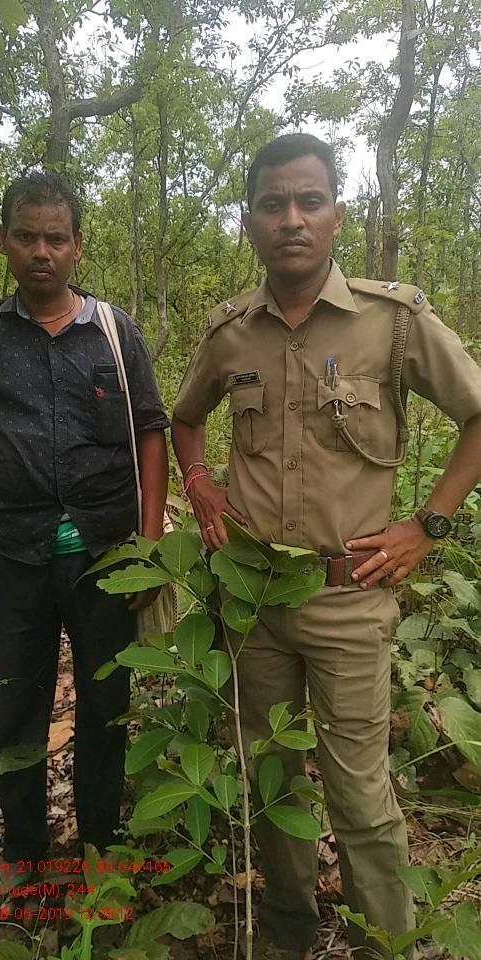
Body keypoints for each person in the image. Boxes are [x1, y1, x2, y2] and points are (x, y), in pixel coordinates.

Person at [171, 133, 481, 960]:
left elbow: (478, 414)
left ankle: (387, 942)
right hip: (253, 601)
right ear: (251, 220)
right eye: (273, 204)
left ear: (338, 215)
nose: (292, 219)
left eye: (309, 201)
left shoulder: (394, 322)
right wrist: (199, 481)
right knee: (269, 775)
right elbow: (185, 418)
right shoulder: (231, 332)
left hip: (349, 600)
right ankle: (286, 931)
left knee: (360, 795)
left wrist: (427, 525)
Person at [0, 172, 169, 887]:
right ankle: (24, 855)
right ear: (4, 242)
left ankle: (99, 846)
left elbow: (152, 433)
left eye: (56, 238)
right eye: (27, 236)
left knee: (106, 702)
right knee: (18, 701)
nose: (41, 251)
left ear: (77, 247)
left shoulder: (115, 332)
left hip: (106, 553)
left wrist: (151, 545)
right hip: (13, 554)